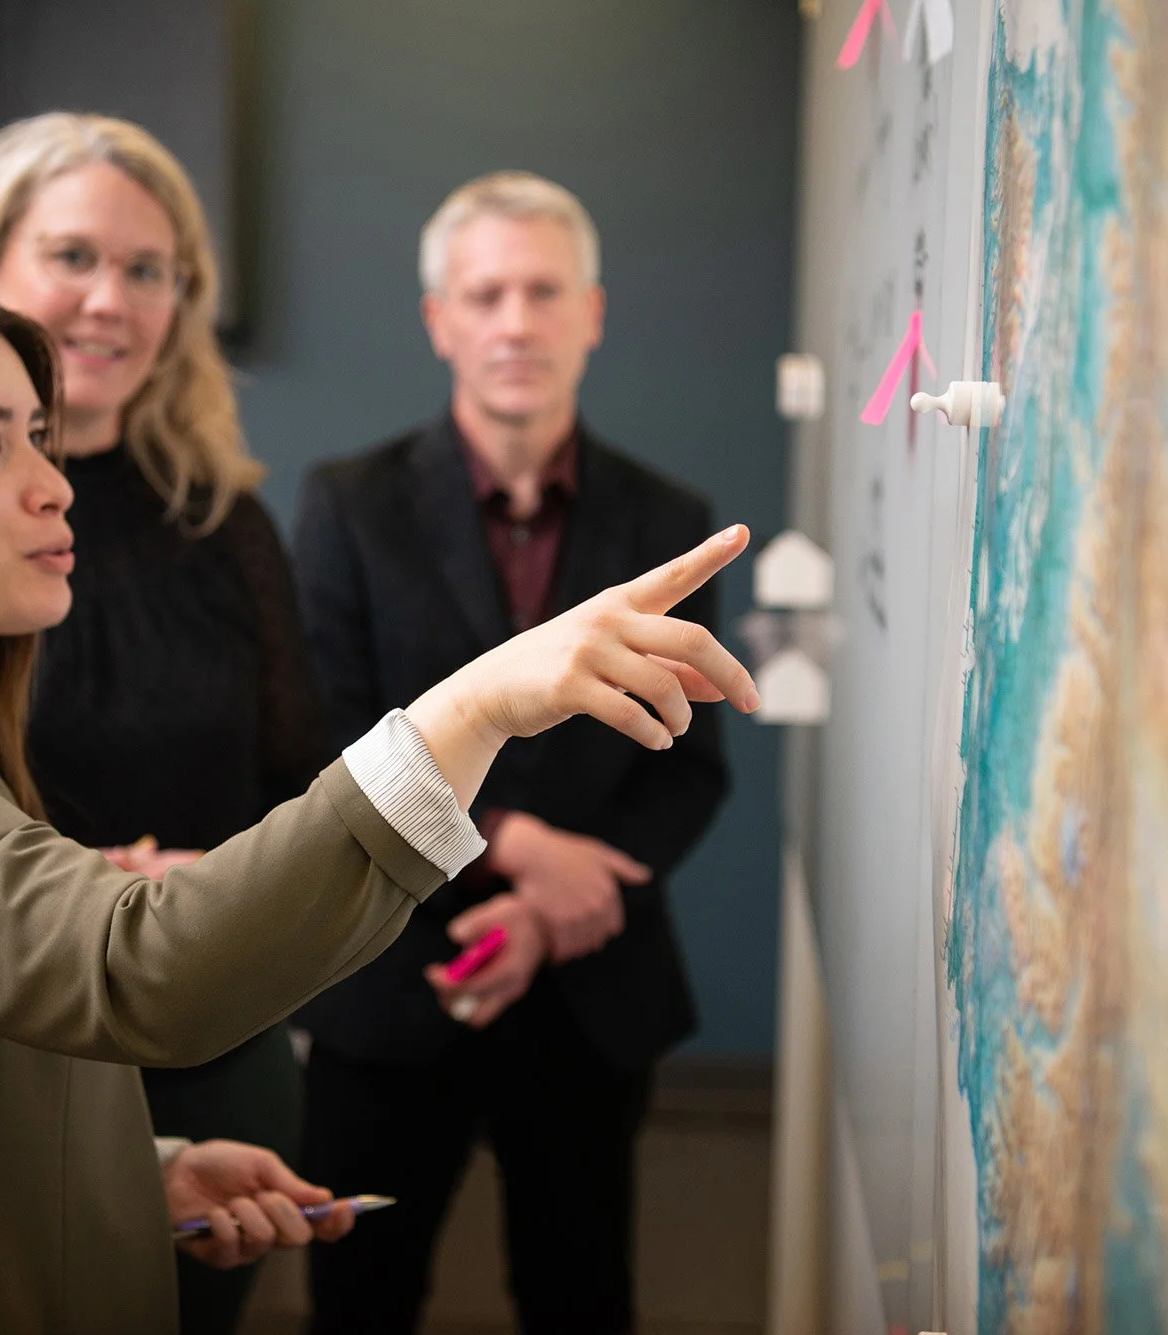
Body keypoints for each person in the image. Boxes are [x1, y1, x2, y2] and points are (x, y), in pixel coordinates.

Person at [0, 257, 758, 1335]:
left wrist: (135, 1176)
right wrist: (474, 706)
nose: (54, 486)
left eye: (39, 437)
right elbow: (137, 969)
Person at [293, 172, 732, 1334]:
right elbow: (324, 742)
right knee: (361, 1302)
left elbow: (690, 768)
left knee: (581, 1297)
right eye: (484, 293)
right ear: (439, 320)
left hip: (590, 986)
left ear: (591, 313)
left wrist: (549, 908)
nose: (515, 322)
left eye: (543, 291)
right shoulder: (347, 507)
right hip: (393, 975)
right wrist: (523, 850)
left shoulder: (667, 517)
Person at [0, 112, 318, 1335]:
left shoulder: (228, 523)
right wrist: (85, 886)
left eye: (148, 271)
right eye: (73, 256)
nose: (111, 301)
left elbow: (296, 778)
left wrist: (220, 880)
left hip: (214, 1035)